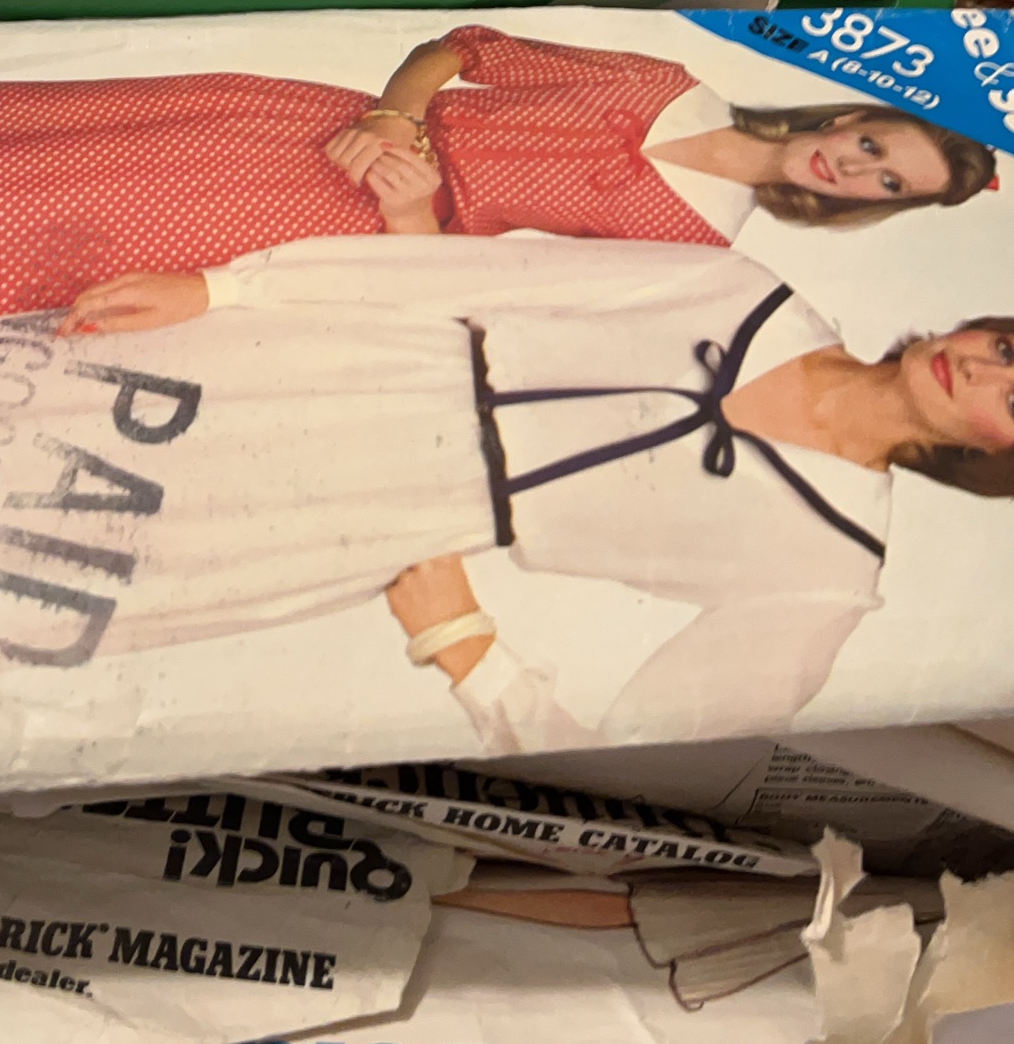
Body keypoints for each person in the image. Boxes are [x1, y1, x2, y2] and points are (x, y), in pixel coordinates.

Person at [50, 236, 1014, 755]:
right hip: (339, 360)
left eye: (1013, 398)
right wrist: (227, 291)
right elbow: (479, 273)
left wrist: (468, 649)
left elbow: (640, 761)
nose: (980, 368)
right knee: (38, 410)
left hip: (372, 519)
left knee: (55, 576)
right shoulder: (745, 290)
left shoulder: (830, 566)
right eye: (1008, 347)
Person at [0, 29, 993, 343]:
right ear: (852, 114)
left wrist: (406, 204)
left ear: (866, 207)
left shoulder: (698, 249)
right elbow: (461, 50)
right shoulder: (668, 80)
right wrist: (392, 115)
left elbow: (489, 297)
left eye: (882, 183)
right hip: (298, 127)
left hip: (318, 231)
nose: (856, 166)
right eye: (876, 143)